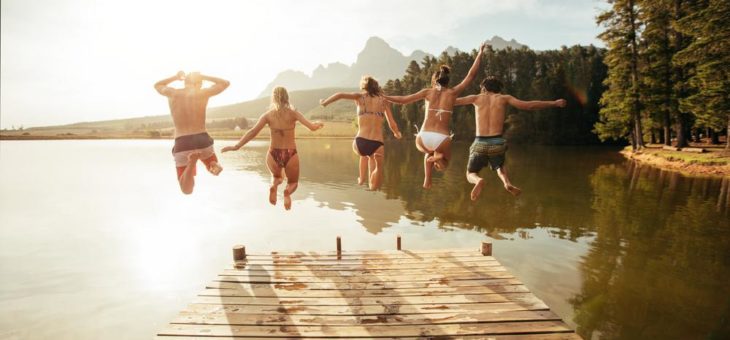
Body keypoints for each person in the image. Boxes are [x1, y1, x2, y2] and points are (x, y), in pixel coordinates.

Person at [384, 42, 486, 189]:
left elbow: (403, 100)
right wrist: (480, 53)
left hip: (423, 138)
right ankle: (437, 158)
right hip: (441, 139)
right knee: (444, 163)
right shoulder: (453, 93)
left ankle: (428, 178)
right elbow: (471, 75)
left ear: (434, 81)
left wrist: (386, 97)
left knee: (430, 153)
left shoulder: (427, 92)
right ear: (448, 81)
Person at [454, 76, 567, 200]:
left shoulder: (475, 98)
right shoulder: (504, 98)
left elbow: (451, 101)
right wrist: (554, 103)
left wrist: (437, 95)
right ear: (498, 89)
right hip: (496, 141)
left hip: (480, 141)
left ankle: (478, 181)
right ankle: (506, 183)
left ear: (484, 88)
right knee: (500, 166)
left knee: (470, 173)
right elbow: (529, 105)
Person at [222, 87, 324, 210]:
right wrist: (317, 124)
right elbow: (312, 127)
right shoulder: (294, 114)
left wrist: (236, 146)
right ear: (287, 98)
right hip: (290, 153)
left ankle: (274, 186)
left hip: (273, 153)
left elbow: (252, 132)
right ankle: (287, 192)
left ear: (273, 98)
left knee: (277, 177)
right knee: (293, 183)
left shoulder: (267, 115)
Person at [319, 76, 402, 190]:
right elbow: (391, 123)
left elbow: (340, 95)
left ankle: (361, 179)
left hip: (360, 142)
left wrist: (324, 102)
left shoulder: (359, 97)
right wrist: (396, 133)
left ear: (364, 87)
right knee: (373, 174)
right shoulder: (383, 101)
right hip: (377, 143)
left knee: (364, 155)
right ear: (376, 86)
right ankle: (376, 173)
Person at [154, 71, 230, 195]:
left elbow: (157, 85)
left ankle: (191, 163)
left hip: (182, 143)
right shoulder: (203, 93)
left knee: (186, 190)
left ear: (185, 82)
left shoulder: (173, 93)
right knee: (212, 166)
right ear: (199, 83)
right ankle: (213, 166)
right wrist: (204, 75)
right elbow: (225, 83)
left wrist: (175, 77)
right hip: (203, 140)